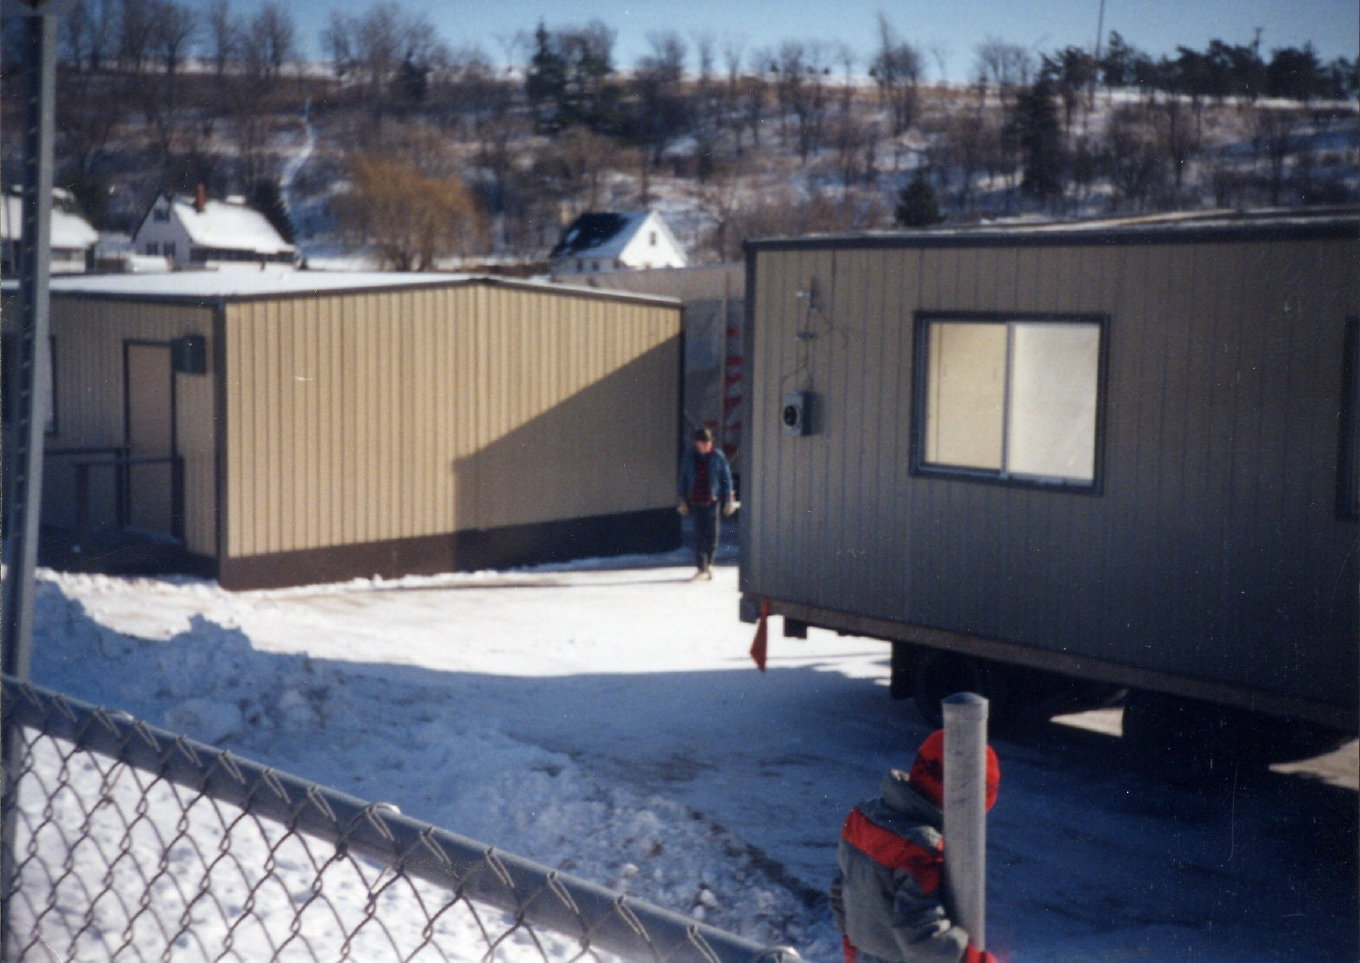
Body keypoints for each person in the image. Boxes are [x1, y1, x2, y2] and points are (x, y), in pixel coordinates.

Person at [830, 730, 1002, 963]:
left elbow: (842, 890)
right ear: (962, 798)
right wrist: (973, 959)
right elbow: (920, 932)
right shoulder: (921, 850)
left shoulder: (862, 817)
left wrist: (851, 943)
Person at [676, 426, 735, 580]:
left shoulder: (718, 456)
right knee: (699, 533)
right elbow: (683, 477)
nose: (706, 445)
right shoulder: (689, 456)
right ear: (697, 443)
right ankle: (701, 566)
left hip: (712, 499)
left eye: (708, 442)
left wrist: (729, 499)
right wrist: (681, 498)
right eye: (703, 442)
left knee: (712, 534)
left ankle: (709, 564)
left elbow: (726, 478)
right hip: (696, 499)